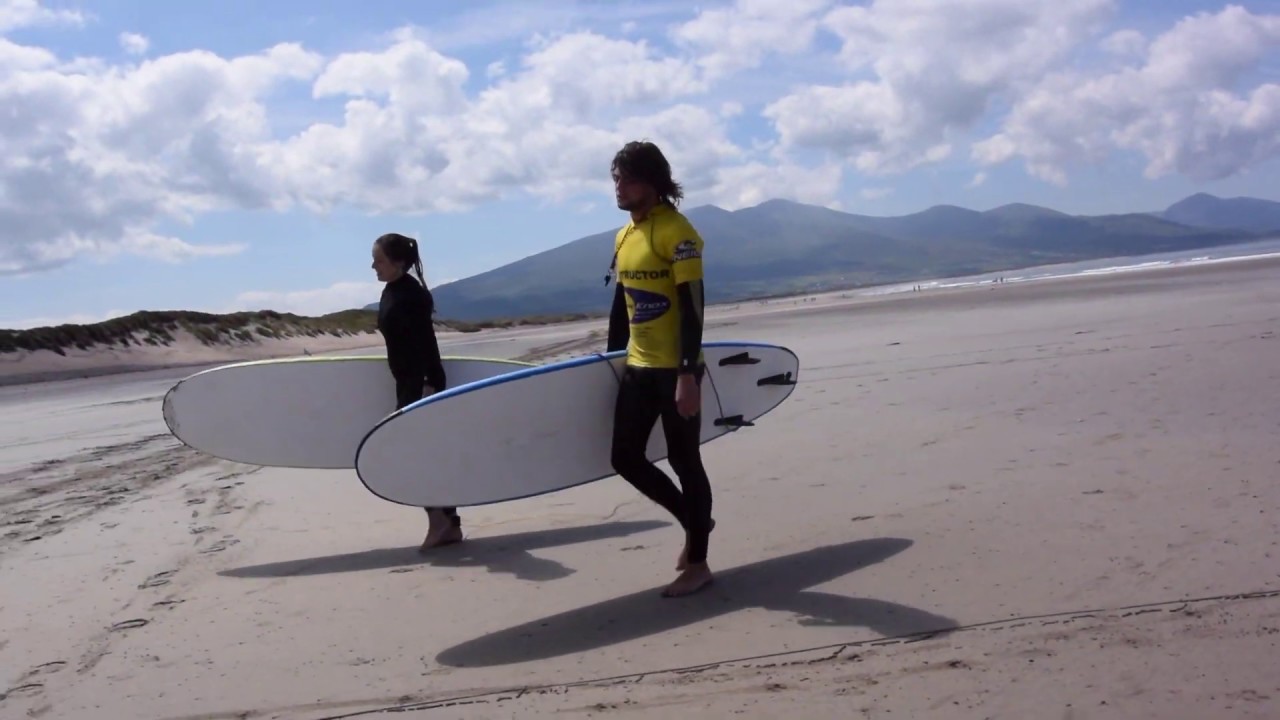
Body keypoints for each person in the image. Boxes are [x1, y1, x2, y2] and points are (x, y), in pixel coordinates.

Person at [605, 140, 715, 598]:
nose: (620, 187)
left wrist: (688, 375)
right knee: (624, 458)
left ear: (653, 183)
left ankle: (699, 562)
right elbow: (622, 302)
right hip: (637, 365)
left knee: (684, 459)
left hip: (676, 369)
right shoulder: (624, 235)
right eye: (616, 178)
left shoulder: (679, 232)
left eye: (629, 179)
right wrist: (611, 358)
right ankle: (694, 521)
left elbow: (693, 308)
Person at [371, 232, 462, 551]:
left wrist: (426, 386)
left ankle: (441, 522)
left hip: (421, 384)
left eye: (379, 260)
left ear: (398, 262)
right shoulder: (392, 291)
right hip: (408, 382)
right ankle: (447, 522)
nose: (373, 266)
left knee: (422, 456)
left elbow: (425, 345)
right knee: (425, 454)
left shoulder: (411, 295)